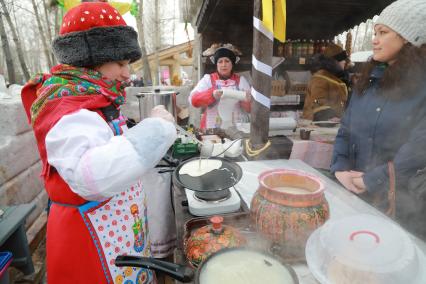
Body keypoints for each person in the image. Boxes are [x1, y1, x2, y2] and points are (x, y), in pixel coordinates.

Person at [20, 2, 176, 283]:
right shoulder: (68, 108)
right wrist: (158, 129)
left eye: (129, 64)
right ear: (91, 59)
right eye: (121, 63)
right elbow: (92, 176)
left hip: (114, 234)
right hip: (88, 242)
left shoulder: (92, 99)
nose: (128, 74)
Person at [331, 0, 426, 237]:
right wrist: (340, 167)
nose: (374, 39)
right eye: (374, 32)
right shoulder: (369, 79)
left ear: (409, 38)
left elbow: (419, 148)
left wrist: (373, 179)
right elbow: (346, 128)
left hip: (404, 204)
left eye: (383, 33)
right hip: (357, 191)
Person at [189, 45, 251, 130]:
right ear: (216, 64)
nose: (223, 65)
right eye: (220, 62)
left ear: (232, 64)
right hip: (211, 128)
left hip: (235, 128)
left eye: (227, 61)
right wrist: (211, 95)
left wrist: (247, 100)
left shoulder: (241, 81)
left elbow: (249, 109)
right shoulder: (208, 79)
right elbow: (194, 100)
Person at [303, 43, 349, 121]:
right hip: (317, 127)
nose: (345, 62)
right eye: (342, 59)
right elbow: (318, 103)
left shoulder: (336, 78)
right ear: (334, 61)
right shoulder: (319, 78)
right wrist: (329, 117)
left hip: (334, 126)